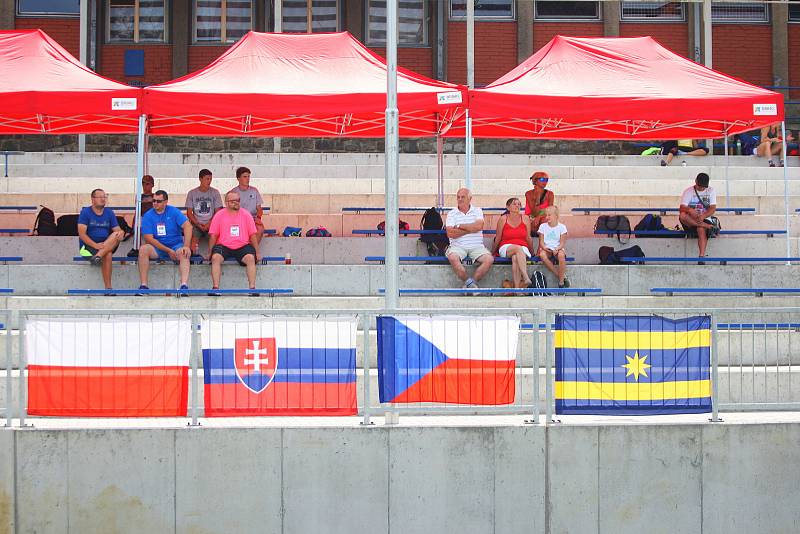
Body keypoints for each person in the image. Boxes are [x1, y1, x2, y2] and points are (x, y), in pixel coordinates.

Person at [207, 190, 261, 295]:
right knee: (215, 258)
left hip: (243, 245)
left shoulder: (246, 214)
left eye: (238, 200)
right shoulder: (219, 215)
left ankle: (252, 289)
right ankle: (215, 288)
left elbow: (253, 235)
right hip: (224, 245)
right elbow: (213, 235)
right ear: (226, 202)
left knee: (250, 258)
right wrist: (210, 251)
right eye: (233, 201)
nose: (236, 202)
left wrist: (257, 252)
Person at [138, 190, 192, 292]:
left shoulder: (173, 211)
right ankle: (143, 285)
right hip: (158, 248)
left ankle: (184, 285)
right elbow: (148, 238)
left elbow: (188, 226)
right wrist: (168, 250)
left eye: (158, 201)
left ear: (166, 202)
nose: (155, 203)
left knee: (184, 252)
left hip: (176, 246)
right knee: (143, 249)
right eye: (153, 201)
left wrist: (186, 246)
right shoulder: (148, 215)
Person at [445, 188, 494, 290]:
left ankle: (469, 285)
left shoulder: (477, 211)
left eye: (463, 197)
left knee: (489, 259)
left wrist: (459, 226)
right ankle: (470, 284)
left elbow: (479, 226)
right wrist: (471, 229)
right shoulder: (451, 213)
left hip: (476, 247)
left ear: (470, 198)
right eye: (458, 197)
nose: (460, 199)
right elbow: (450, 233)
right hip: (457, 246)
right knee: (453, 257)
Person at [77, 188, 124, 291]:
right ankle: (108, 288)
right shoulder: (85, 212)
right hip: (88, 248)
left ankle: (98, 256)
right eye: (100, 197)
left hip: (105, 245)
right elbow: (82, 235)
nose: (103, 199)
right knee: (108, 254)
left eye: (104, 197)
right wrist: (95, 245)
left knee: (117, 233)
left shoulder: (109, 213)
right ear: (92, 199)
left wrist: (121, 233)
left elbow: (118, 230)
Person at [491, 197, 535, 289]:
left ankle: (517, 289)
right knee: (517, 249)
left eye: (519, 204)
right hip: (506, 247)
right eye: (514, 204)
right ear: (508, 207)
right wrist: (492, 252)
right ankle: (525, 276)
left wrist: (532, 253)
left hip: (523, 247)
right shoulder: (503, 219)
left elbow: (528, 237)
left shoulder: (526, 218)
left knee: (515, 258)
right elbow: (498, 237)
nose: (517, 206)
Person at [679, 172, 717, 262]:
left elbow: (712, 208)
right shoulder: (688, 191)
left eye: (704, 186)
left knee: (700, 229)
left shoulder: (711, 191)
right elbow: (682, 208)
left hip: (705, 218)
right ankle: (705, 226)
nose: (702, 188)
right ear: (695, 181)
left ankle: (701, 256)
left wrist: (703, 215)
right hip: (691, 220)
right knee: (682, 216)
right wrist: (690, 210)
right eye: (700, 186)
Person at [185, 168, 223, 255]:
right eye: (207, 179)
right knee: (193, 237)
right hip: (196, 223)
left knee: (214, 237)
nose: (209, 181)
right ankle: (193, 258)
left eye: (210, 179)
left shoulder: (215, 192)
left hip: (212, 223)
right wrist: (198, 224)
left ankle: (212, 256)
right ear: (200, 179)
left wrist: (209, 224)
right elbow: (189, 213)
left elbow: (218, 212)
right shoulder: (192, 193)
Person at [230, 166, 265, 245]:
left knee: (260, 229)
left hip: (253, 219)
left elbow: (259, 209)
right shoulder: (233, 192)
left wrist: (258, 218)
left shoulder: (254, 190)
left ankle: (252, 251)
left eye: (248, 176)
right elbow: (231, 210)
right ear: (238, 178)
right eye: (245, 177)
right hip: (238, 219)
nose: (247, 179)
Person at [537, 206, 570, 289]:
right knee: (542, 255)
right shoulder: (543, 226)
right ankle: (560, 276)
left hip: (558, 248)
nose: (547, 217)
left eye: (549, 215)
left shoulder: (562, 227)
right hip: (546, 248)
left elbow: (562, 243)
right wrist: (544, 248)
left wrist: (557, 249)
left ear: (556, 216)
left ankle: (561, 282)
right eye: (546, 215)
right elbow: (541, 242)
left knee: (561, 255)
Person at [524, 171, 555, 235]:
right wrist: (538, 196)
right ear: (535, 180)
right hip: (532, 215)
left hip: (544, 216)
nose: (545, 182)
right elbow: (534, 212)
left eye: (546, 180)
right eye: (542, 179)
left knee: (545, 220)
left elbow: (550, 210)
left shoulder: (550, 194)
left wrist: (539, 217)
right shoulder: (528, 193)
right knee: (531, 222)